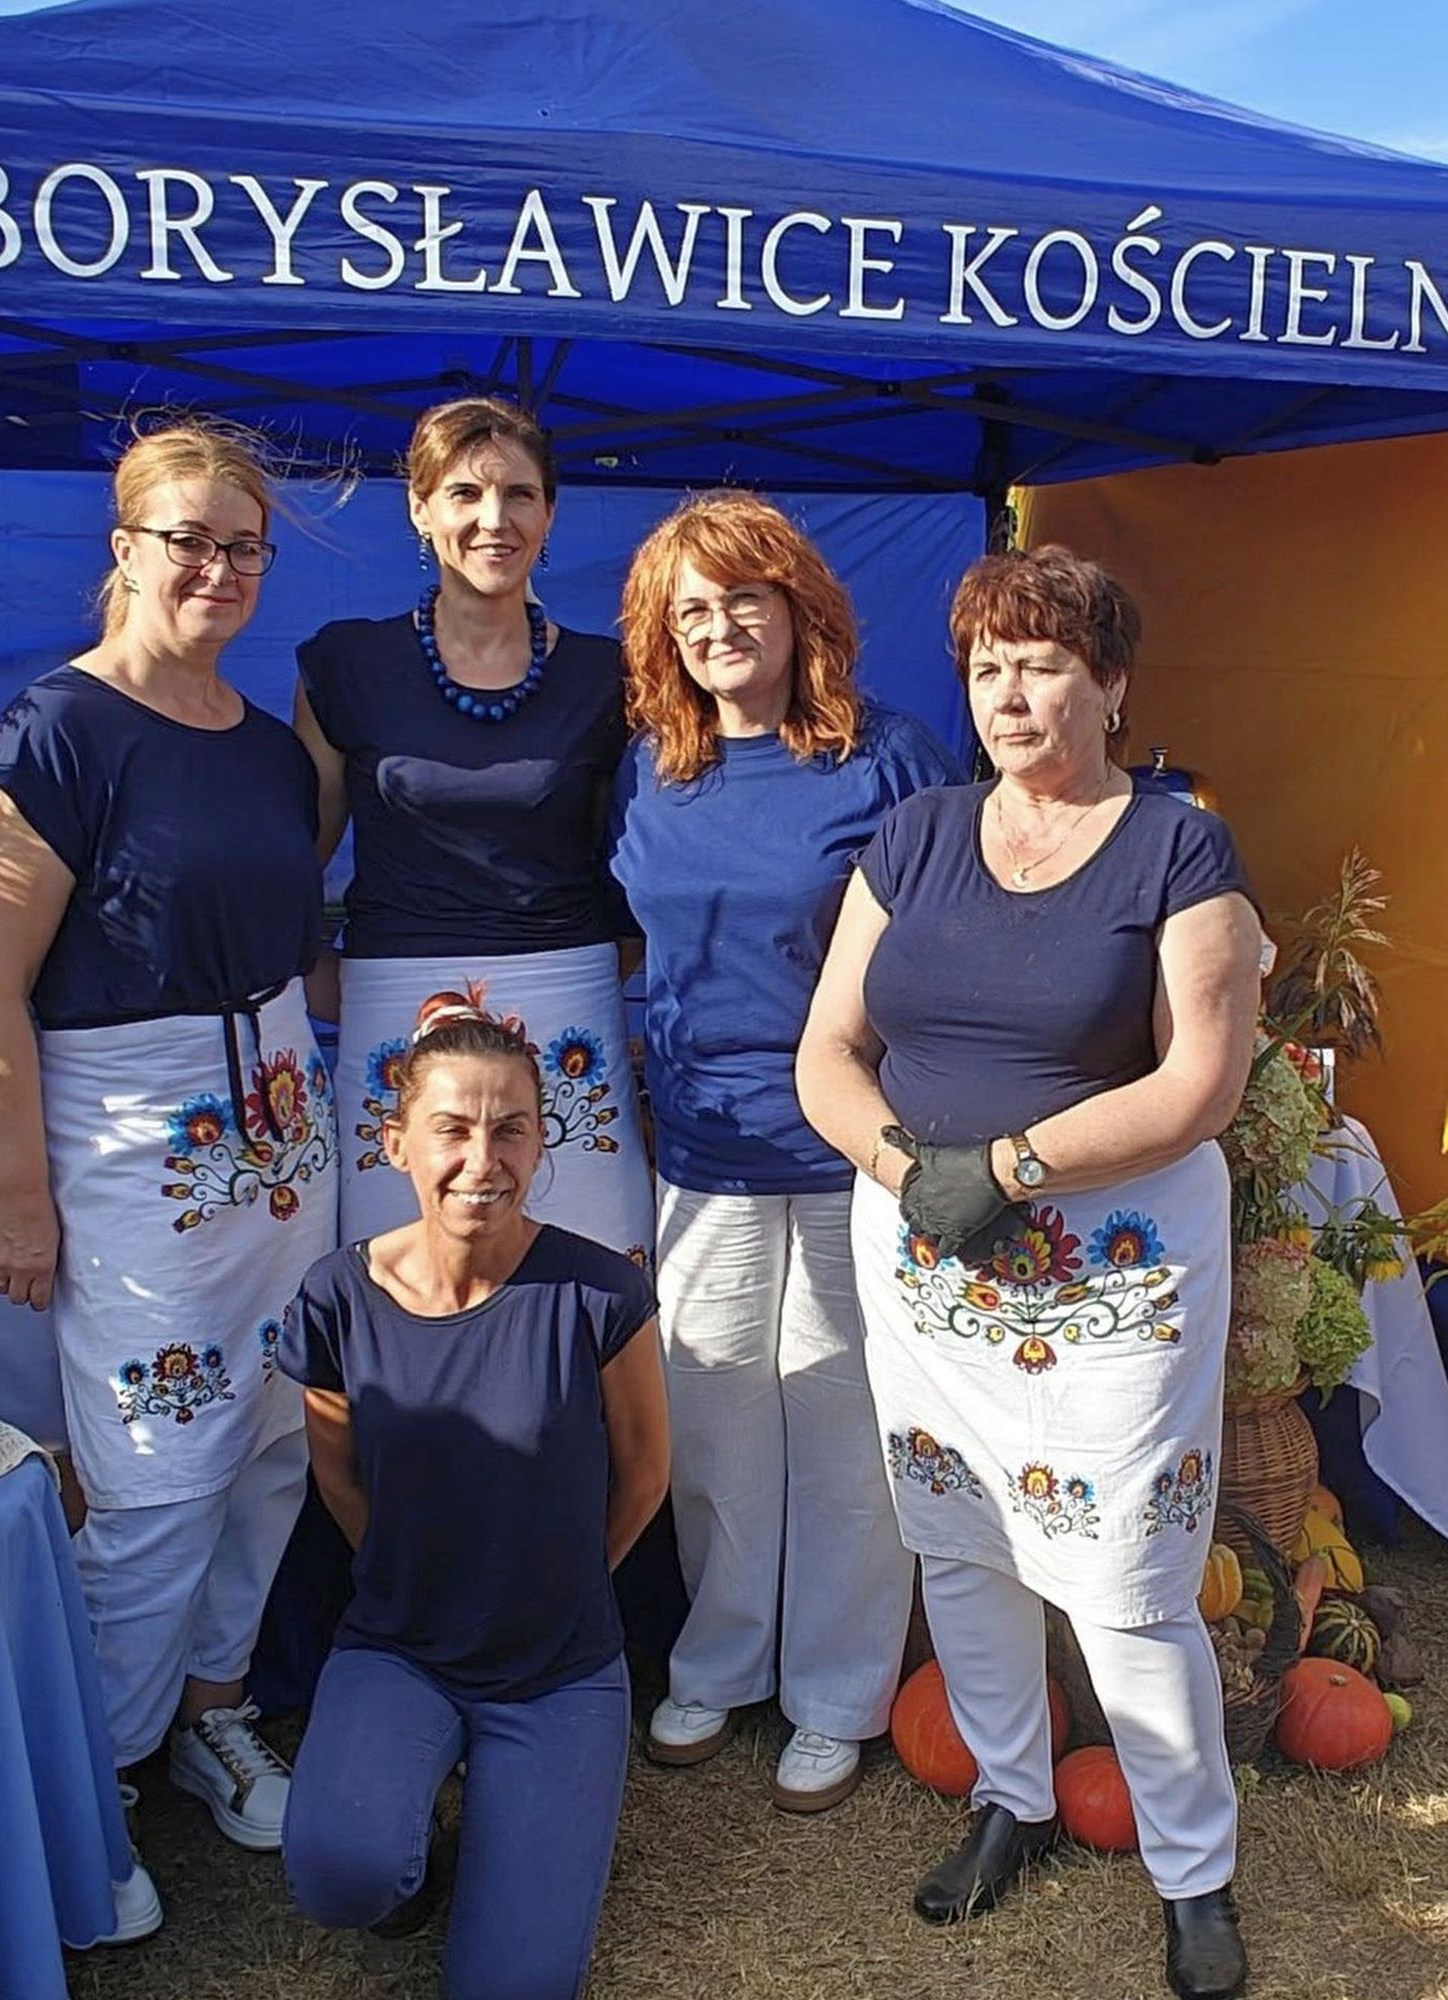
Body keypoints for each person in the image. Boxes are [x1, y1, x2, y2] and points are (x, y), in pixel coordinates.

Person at [797, 547, 1259, 2000]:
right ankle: (1014, 1794)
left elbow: (1202, 1083)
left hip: (1112, 1267)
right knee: (960, 1536)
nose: (1009, 693)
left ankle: (1193, 1870)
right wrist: (907, 1171)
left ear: (1110, 685)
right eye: (987, 665)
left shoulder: (1179, 848)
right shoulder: (916, 833)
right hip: (927, 1253)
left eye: (1043, 663)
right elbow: (827, 1049)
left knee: (1127, 1570)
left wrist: (1006, 1169)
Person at [0, 419, 334, 1869]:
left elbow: (298, 956)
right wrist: (18, 1197)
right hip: (129, 1142)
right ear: (125, 547)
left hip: (282, 1138)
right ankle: (88, 1780)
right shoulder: (57, 732)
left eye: (245, 547)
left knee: (274, 1446)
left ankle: (210, 1711)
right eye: (189, 540)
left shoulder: (270, 752)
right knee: (157, 1470)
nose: (218, 569)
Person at [605, 493, 959, 1809]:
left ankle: (839, 1690)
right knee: (712, 1423)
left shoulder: (886, 756)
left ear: (799, 606)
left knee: (844, 1425)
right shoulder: (653, 765)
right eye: (690, 609)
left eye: (742, 597)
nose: (718, 626)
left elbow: (950, 940)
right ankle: (721, 1660)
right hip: (700, 1149)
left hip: (850, 1150)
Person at [278, 992, 671, 2000]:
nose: (481, 1160)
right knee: (340, 1872)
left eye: (511, 1130)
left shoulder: (601, 1295)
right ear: (396, 1141)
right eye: (451, 1129)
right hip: (399, 1644)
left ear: (542, 1142)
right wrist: (414, 1573)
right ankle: (407, 1825)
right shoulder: (335, 1297)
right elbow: (338, 1471)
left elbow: (645, 1471)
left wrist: (562, 1583)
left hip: (558, 1665)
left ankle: (517, 1808)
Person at [294, 396, 655, 1264]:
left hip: (570, 1004)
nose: (494, 519)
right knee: (401, 1271)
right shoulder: (346, 665)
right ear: (420, 510)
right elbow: (289, 859)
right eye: (464, 493)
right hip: (392, 1009)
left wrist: (588, 970)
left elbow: (646, 860)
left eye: (519, 494)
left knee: (591, 1271)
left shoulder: (611, 676)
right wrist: (322, 976)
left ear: (550, 513)